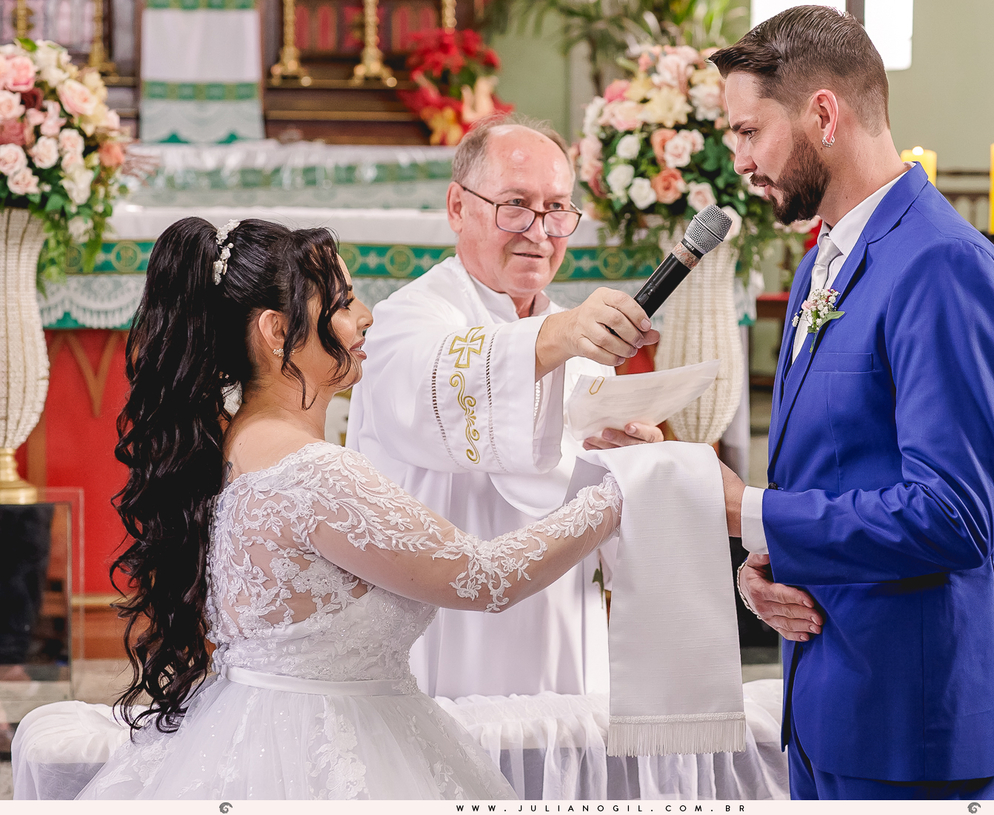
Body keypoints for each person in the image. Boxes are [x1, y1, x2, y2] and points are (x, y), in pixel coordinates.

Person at [78, 217, 624, 799]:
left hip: (254, 727)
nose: (367, 315)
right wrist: (617, 494)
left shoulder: (234, 445)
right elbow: (484, 579)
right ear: (275, 330)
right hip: (332, 749)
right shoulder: (314, 473)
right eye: (342, 302)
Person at [711, 6, 994, 800]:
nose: (741, 162)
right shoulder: (825, 255)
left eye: (750, 132)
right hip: (828, 690)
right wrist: (764, 565)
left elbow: (956, 515)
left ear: (824, 113)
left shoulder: (942, 266)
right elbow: (837, 468)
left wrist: (751, 513)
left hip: (907, 710)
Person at [346, 115, 661, 699]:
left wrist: (632, 466)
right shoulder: (409, 317)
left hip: (562, 614)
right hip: (444, 621)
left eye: (557, 209)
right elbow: (429, 394)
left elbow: (597, 503)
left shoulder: (579, 341)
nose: (539, 232)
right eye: (516, 204)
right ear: (458, 207)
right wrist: (555, 338)